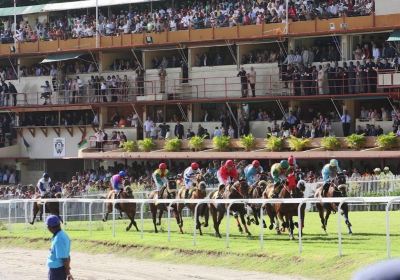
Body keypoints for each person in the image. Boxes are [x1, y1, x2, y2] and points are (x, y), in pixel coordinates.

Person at [46, 215, 73, 280]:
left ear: (50, 227)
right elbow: (67, 255)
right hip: (57, 270)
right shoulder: (60, 234)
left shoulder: (59, 239)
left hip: (57, 271)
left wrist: (68, 273)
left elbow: (64, 258)